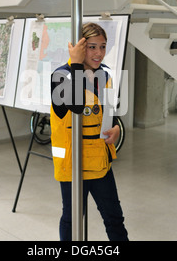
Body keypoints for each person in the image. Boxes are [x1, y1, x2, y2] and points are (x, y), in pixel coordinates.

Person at [50, 22, 128, 241]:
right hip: (73, 163)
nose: (99, 53)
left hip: (100, 161)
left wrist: (116, 130)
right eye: (92, 47)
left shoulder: (105, 75)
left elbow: (112, 113)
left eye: (102, 47)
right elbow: (75, 107)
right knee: (72, 218)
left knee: (114, 218)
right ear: (79, 47)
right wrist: (75, 65)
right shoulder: (61, 76)